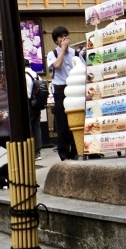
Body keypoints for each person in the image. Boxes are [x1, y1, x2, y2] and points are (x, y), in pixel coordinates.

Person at [47, 25, 76, 160]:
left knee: (76, 120)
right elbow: (57, 66)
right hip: (61, 89)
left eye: (66, 35)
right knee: (62, 122)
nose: (64, 38)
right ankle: (64, 154)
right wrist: (63, 50)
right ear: (56, 40)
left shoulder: (75, 53)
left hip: (75, 87)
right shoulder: (52, 54)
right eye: (60, 37)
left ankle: (77, 150)